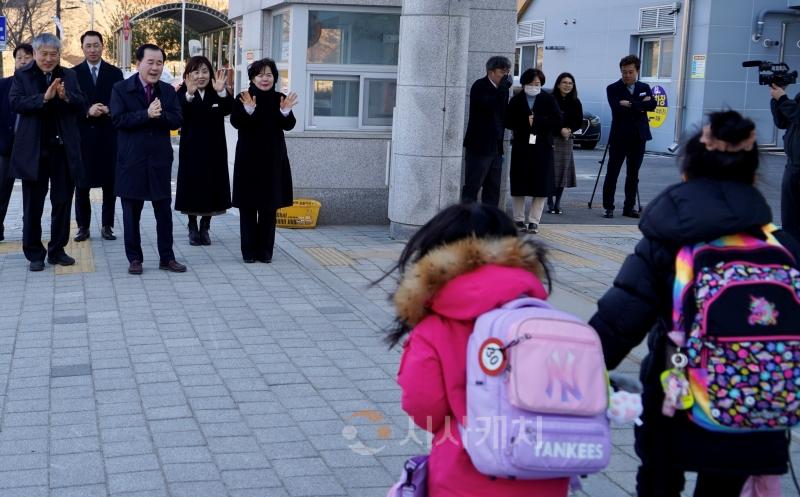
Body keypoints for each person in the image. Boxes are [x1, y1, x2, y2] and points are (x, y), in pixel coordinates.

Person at [589, 111, 795, 497]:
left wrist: (575, 371)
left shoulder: (666, 240)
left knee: (659, 477)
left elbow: (620, 321)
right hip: (756, 399)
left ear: (687, 173)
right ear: (753, 176)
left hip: (675, 391)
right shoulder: (780, 244)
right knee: (723, 486)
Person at [386, 202, 568, 497]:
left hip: (465, 474)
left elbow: (424, 408)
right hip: (547, 469)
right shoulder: (541, 315)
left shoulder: (436, 327)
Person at [10, 34, 86, 272]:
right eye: (44, 54)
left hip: (62, 150)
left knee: (62, 202)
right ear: (35, 53)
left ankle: (57, 250)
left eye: (54, 54)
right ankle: (34, 253)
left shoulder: (69, 75)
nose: (49, 59)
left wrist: (66, 97)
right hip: (34, 151)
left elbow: (81, 104)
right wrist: (44, 98)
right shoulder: (23, 75)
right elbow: (16, 103)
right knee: (33, 205)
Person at [110, 43, 185, 275]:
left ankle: (167, 257)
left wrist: (158, 115)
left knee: (163, 212)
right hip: (131, 161)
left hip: (159, 161)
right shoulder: (121, 89)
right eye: (150, 62)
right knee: (131, 213)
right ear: (138, 63)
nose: (155, 68)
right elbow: (118, 120)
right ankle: (135, 259)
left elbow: (176, 119)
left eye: (159, 63)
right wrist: (145, 114)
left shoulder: (168, 91)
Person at [230, 58, 297, 263]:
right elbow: (236, 122)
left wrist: (285, 112)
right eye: (260, 75)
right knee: (248, 209)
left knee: (269, 209)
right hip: (248, 161)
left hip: (273, 162)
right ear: (252, 78)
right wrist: (248, 110)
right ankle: (249, 253)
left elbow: (289, 125)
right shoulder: (243, 97)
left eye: (269, 75)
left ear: (275, 78)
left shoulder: (280, 98)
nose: (265, 79)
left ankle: (265, 253)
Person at [73, 30, 124, 242]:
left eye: (96, 45)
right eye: (88, 46)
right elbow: (70, 105)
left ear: (103, 46)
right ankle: (83, 227)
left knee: (109, 183)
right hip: (83, 137)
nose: (93, 50)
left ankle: (107, 225)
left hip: (108, 136)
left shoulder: (114, 73)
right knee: (82, 184)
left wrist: (109, 110)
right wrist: (87, 111)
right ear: (82, 48)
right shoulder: (72, 73)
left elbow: (121, 102)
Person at [175, 56, 232, 246]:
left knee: (212, 189)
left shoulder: (216, 91)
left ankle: (205, 227)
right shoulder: (182, 92)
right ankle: (192, 227)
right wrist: (189, 96)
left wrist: (223, 92)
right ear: (188, 74)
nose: (201, 76)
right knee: (192, 188)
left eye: (205, 71)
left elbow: (228, 110)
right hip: (191, 151)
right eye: (196, 72)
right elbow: (178, 115)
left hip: (214, 151)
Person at [504, 68, 561, 234]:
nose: (534, 86)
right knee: (519, 182)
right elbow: (507, 120)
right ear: (523, 84)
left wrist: (537, 121)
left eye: (537, 83)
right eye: (530, 83)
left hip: (542, 146)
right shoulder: (516, 100)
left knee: (541, 184)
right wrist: (524, 121)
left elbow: (557, 120)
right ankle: (518, 219)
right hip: (522, 146)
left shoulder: (548, 99)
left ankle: (534, 221)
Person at [603, 55, 656, 219]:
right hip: (619, 136)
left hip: (638, 137)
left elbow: (652, 105)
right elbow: (618, 108)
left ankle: (629, 207)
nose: (627, 75)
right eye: (624, 72)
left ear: (637, 71)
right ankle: (609, 207)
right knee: (613, 172)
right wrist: (641, 105)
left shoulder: (644, 87)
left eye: (630, 72)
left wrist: (631, 104)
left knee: (633, 174)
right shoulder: (612, 88)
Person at [461, 56, 513, 206]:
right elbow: (489, 106)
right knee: (473, 186)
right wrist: (503, 89)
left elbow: (503, 114)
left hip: (496, 147)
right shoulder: (480, 86)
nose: (505, 76)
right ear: (491, 71)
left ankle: (489, 222)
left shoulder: (501, 90)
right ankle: (466, 221)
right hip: (479, 146)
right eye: (502, 72)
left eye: (507, 72)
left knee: (493, 188)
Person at [0, 43, 34, 242]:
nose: (23, 60)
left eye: (27, 56)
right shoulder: (3, 85)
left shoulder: (37, 85)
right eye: (19, 57)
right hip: (5, 147)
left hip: (30, 149)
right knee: (1, 190)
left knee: (31, 195)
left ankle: (29, 231)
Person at [548, 72, 582, 215]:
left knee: (562, 172)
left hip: (566, 140)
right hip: (551, 138)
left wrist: (569, 129)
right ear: (558, 84)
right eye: (564, 82)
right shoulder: (550, 99)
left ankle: (558, 202)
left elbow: (579, 121)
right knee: (550, 171)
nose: (567, 85)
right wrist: (559, 129)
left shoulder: (575, 101)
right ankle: (549, 200)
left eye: (570, 83)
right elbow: (547, 119)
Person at [770, 82, 800, 241]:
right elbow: (783, 122)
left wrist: (782, 99)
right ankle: (793, 254)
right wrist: (776, 100)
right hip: (793, 166)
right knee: (789, 217)